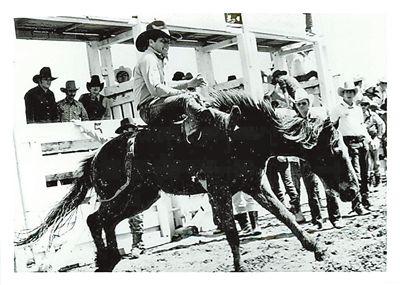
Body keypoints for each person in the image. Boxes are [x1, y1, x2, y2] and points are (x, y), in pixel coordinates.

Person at [133, 20, 241, 137]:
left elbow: (164, 85)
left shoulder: (157, 58)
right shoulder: (148, 59)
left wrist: (189, 83)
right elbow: (156, 89)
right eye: (162, 41)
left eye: (168, 42)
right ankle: (220, 121)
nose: (167, 45)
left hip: (157, 106)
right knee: (185, 99)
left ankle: (211, 123)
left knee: (197, 99)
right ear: (151, 42)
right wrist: (181, 93)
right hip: (148, 110)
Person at [292, 88, 345, 229]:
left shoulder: (318, 118)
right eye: (299, 104)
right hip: (305, 159)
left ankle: (336, 217)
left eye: (304, 103)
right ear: (296, 106)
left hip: (320, 159)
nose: (302, 106)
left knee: (328, 187)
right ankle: (317, 221)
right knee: (311, 189)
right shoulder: (295, 122)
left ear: (308, 103)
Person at [330, 81, 371, 213]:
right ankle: (357, 205)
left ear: (354, 94)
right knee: (356, 174)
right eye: (346, 92)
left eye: (351, 92)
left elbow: (361, 125)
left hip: (362, 141)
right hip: (349, 142)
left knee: (365, 173)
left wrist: (369, 139)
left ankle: (366, 200)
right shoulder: (337, 108)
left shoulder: (358, 109)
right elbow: (332, 127)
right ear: (343, 94)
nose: (349, 94)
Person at [114, 117, 145, 259]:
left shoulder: (140, 142)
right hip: (123, 185)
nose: (128, 131)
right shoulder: (117, 144)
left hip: (138, 183)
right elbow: (99, 137)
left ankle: (138, 245)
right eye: (125, 129)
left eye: (130, 129)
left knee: (135, 213)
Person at [359, 96, 386, 187]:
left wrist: (379, 136)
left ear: (368, 106)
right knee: (367, 161)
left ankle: (377, 178)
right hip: (364, 139)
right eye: (361, 105)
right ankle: (369, 179)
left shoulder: (373, 115)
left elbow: (381, 124)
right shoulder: (358, 116)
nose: (363, 107)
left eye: (365, 105)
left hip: (374, 138)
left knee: (376, 159)